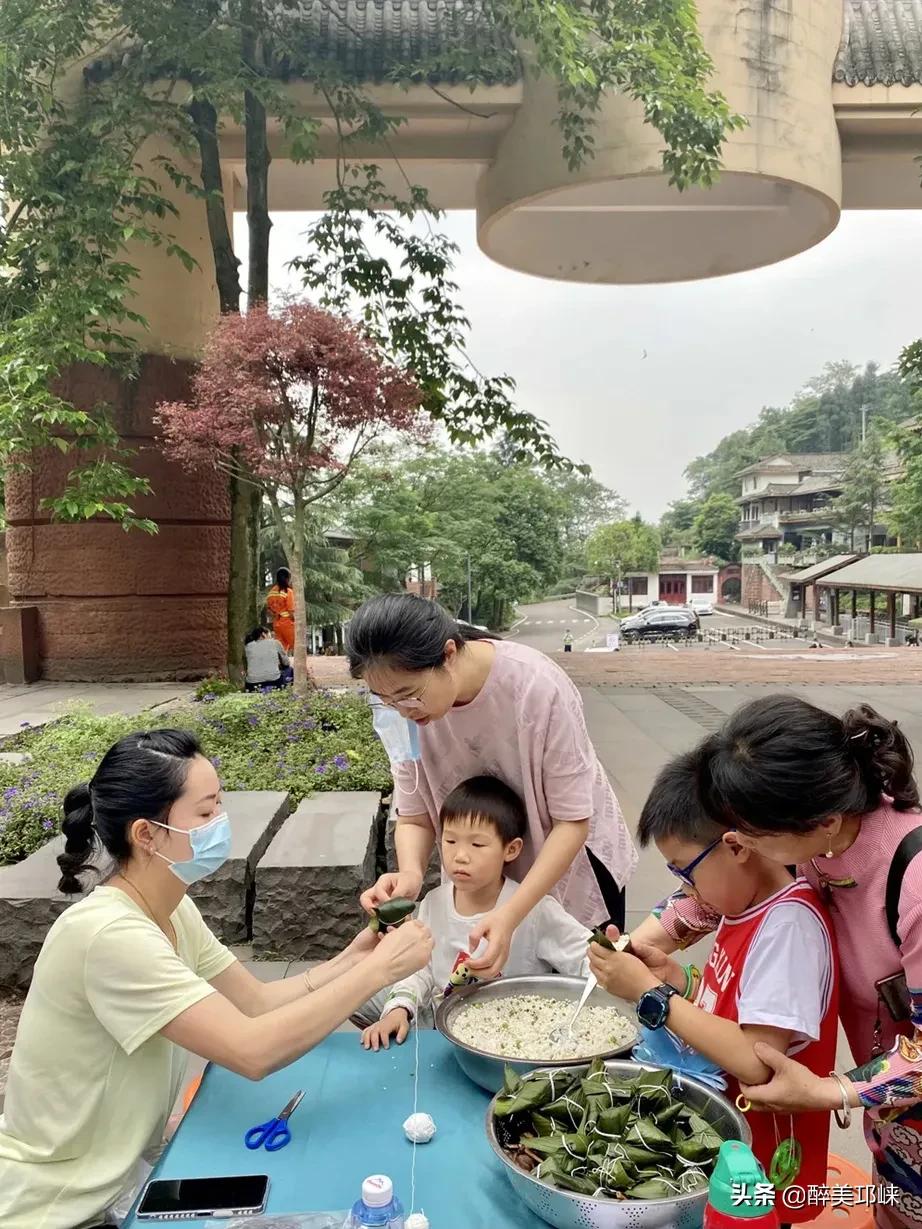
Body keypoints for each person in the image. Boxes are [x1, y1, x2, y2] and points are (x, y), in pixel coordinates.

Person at [0, 729, 432, 1229]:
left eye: (220, 807)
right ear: (146, 834)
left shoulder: (169, 905)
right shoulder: (108, 936)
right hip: (62, 1206)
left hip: (119, 1179)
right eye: (205, 814)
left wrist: (355, 958)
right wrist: (381, 972)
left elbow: (257, 1002)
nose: (221, 823)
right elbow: (252, 1051)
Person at [626, 696, 922, 1228]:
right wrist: (635, 946)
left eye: (745, 834)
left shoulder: (913, 879)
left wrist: (831, 1090)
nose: (734, 842)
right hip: (892, 1118)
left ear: (822, 823)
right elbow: (713, 893)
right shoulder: (810, 833)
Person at [588, 752, 838, 1223]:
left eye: (686, 869)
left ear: (736, 847)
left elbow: (756, 1058)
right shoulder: (746, 906)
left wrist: (651, 995)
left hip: (757, 1162)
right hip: (724, 1139)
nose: (685, 887)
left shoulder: (788, 925)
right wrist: (674, 979)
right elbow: (735, 1000)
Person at [346, 594, 637, 980]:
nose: (403, 712)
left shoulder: (537, 687)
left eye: (410, 695)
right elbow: (414, 815)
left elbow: (572, 822)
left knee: (590, 985)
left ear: (448, 654)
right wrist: (411, 874)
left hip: (571, 858)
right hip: (486, 862)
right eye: (384, 700)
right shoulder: (397, 711)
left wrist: (512, 913)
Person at [359, 775, 592, 1050]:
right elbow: (420, 970)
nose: (460, 856)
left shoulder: (532, 908)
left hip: (517, 1038)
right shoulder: (434, 903)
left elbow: (585, 956)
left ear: (512, 849)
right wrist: (399, 1009)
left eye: (477, 845)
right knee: (355, 991)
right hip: (447, 1031)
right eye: (450, 841)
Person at [244, 625, 290, 691]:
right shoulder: (275, 643)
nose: (271, 636)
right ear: (263, 634)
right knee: (289, 669)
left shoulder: (248, 646)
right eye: (269, 634)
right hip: (274, 681)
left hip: (252, 684)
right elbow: (286, 663)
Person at [266, 567, 295, 654]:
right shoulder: (288, 592)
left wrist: (275, 615)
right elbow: (290, 611)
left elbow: (268, 610)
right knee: (296, 645)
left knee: (281, 648)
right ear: (287, 578)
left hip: (276, 623)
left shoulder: (271, 592)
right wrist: (295, 621)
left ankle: (281, 665)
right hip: (287, 623)